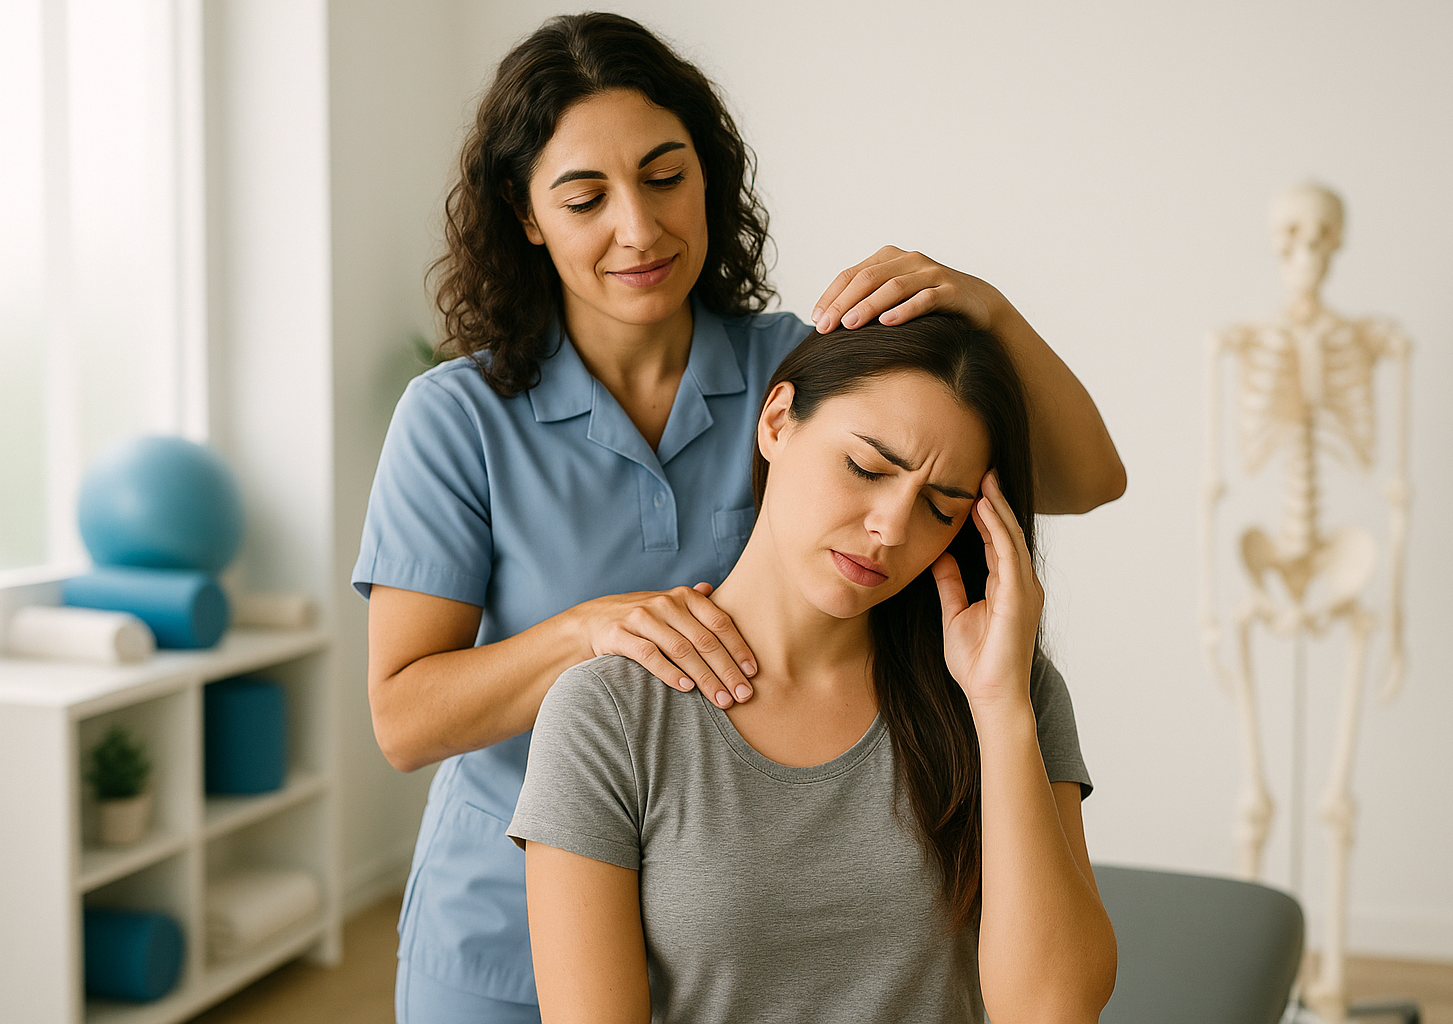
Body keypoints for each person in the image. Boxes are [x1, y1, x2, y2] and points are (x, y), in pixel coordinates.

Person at [355, 12, 1125, 1022]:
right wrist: (593, 631)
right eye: (585, 197)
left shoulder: (792, 368)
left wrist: (984, 308)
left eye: (667, 176)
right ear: (527, 214)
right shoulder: (459, 418)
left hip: (736, 903)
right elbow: (406, 720)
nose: (639, 227)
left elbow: (1065, 473)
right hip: (505, 936)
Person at [510, 315, 1117, 1023]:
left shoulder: (1004, 688)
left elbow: (1054, 1012)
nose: (891, 527)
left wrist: (1000, 706)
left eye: (938, 506)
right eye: (867, 468)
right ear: (777, 422)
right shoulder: (607, 715)